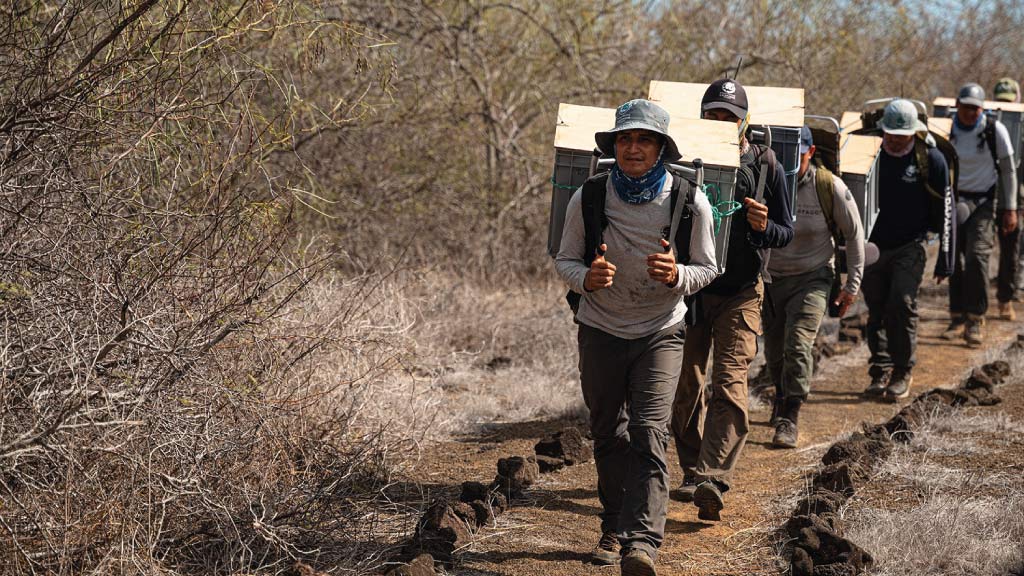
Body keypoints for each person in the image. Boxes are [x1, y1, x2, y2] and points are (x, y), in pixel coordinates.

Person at [556, 99, 718, 576]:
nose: (632, 148)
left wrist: (676, 276)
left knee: (650, 431)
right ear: (614, 145)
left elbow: (708, 267)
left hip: (660, 330)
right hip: (600, 328)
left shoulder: (690, 199)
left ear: (661, 148)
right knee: (608, 432)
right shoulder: (588, 196)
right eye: (625, 138)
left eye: (643, 139)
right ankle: (613, 526)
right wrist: (587, 277)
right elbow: (563, 260)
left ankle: (642, 543)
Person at [670, 79, 793, 520]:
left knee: (730, 381)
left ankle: (713, 477)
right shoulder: (681, 161)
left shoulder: (767, 165)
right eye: (713, 114)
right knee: (685, 385)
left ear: (744, 122)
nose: (720, 123)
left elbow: (785, 230)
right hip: (690, 289)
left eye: (729, 116)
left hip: (742, 290)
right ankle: (690, 468)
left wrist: (764, 227)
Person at [762, 126, 865, 448]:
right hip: (769, 279)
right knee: (774, 353)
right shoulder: (766, 179)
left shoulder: (828, 186)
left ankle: (790, 416)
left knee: (798, 345)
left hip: (813, 276)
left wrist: (851, 286)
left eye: (798, 154)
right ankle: (781, 396)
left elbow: (854, 234)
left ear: (809, 152)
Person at [863, 99, 954, 400]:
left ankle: (903, 369)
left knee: (901, 303)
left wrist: (945, 260)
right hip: (872, 245)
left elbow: (946, 211)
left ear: (914, 132)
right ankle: (880, 369)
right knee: (876, 307)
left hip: (911, 244)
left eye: (901, 134)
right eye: (890, 133)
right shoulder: (867, 154)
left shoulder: (931, 159)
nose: (895, 138)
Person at [941, 83, 1018, 347]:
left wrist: (1010, 209)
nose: (970, 113)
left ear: (982, 109)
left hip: (984, 202)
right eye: (966, 107)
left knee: (977, 256)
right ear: (957, 105)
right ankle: (957, 317)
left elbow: (1008, 171)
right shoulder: (947, 128)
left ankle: (975, 319)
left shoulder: (994, 130)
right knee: (953, 259)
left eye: (975, 108)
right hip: (953, 200)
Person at [992, 77, 1023, 316]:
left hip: (1014, 199)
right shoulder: (989, 125)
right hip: (986, 195)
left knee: (1010, 252)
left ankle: (1006, 298)